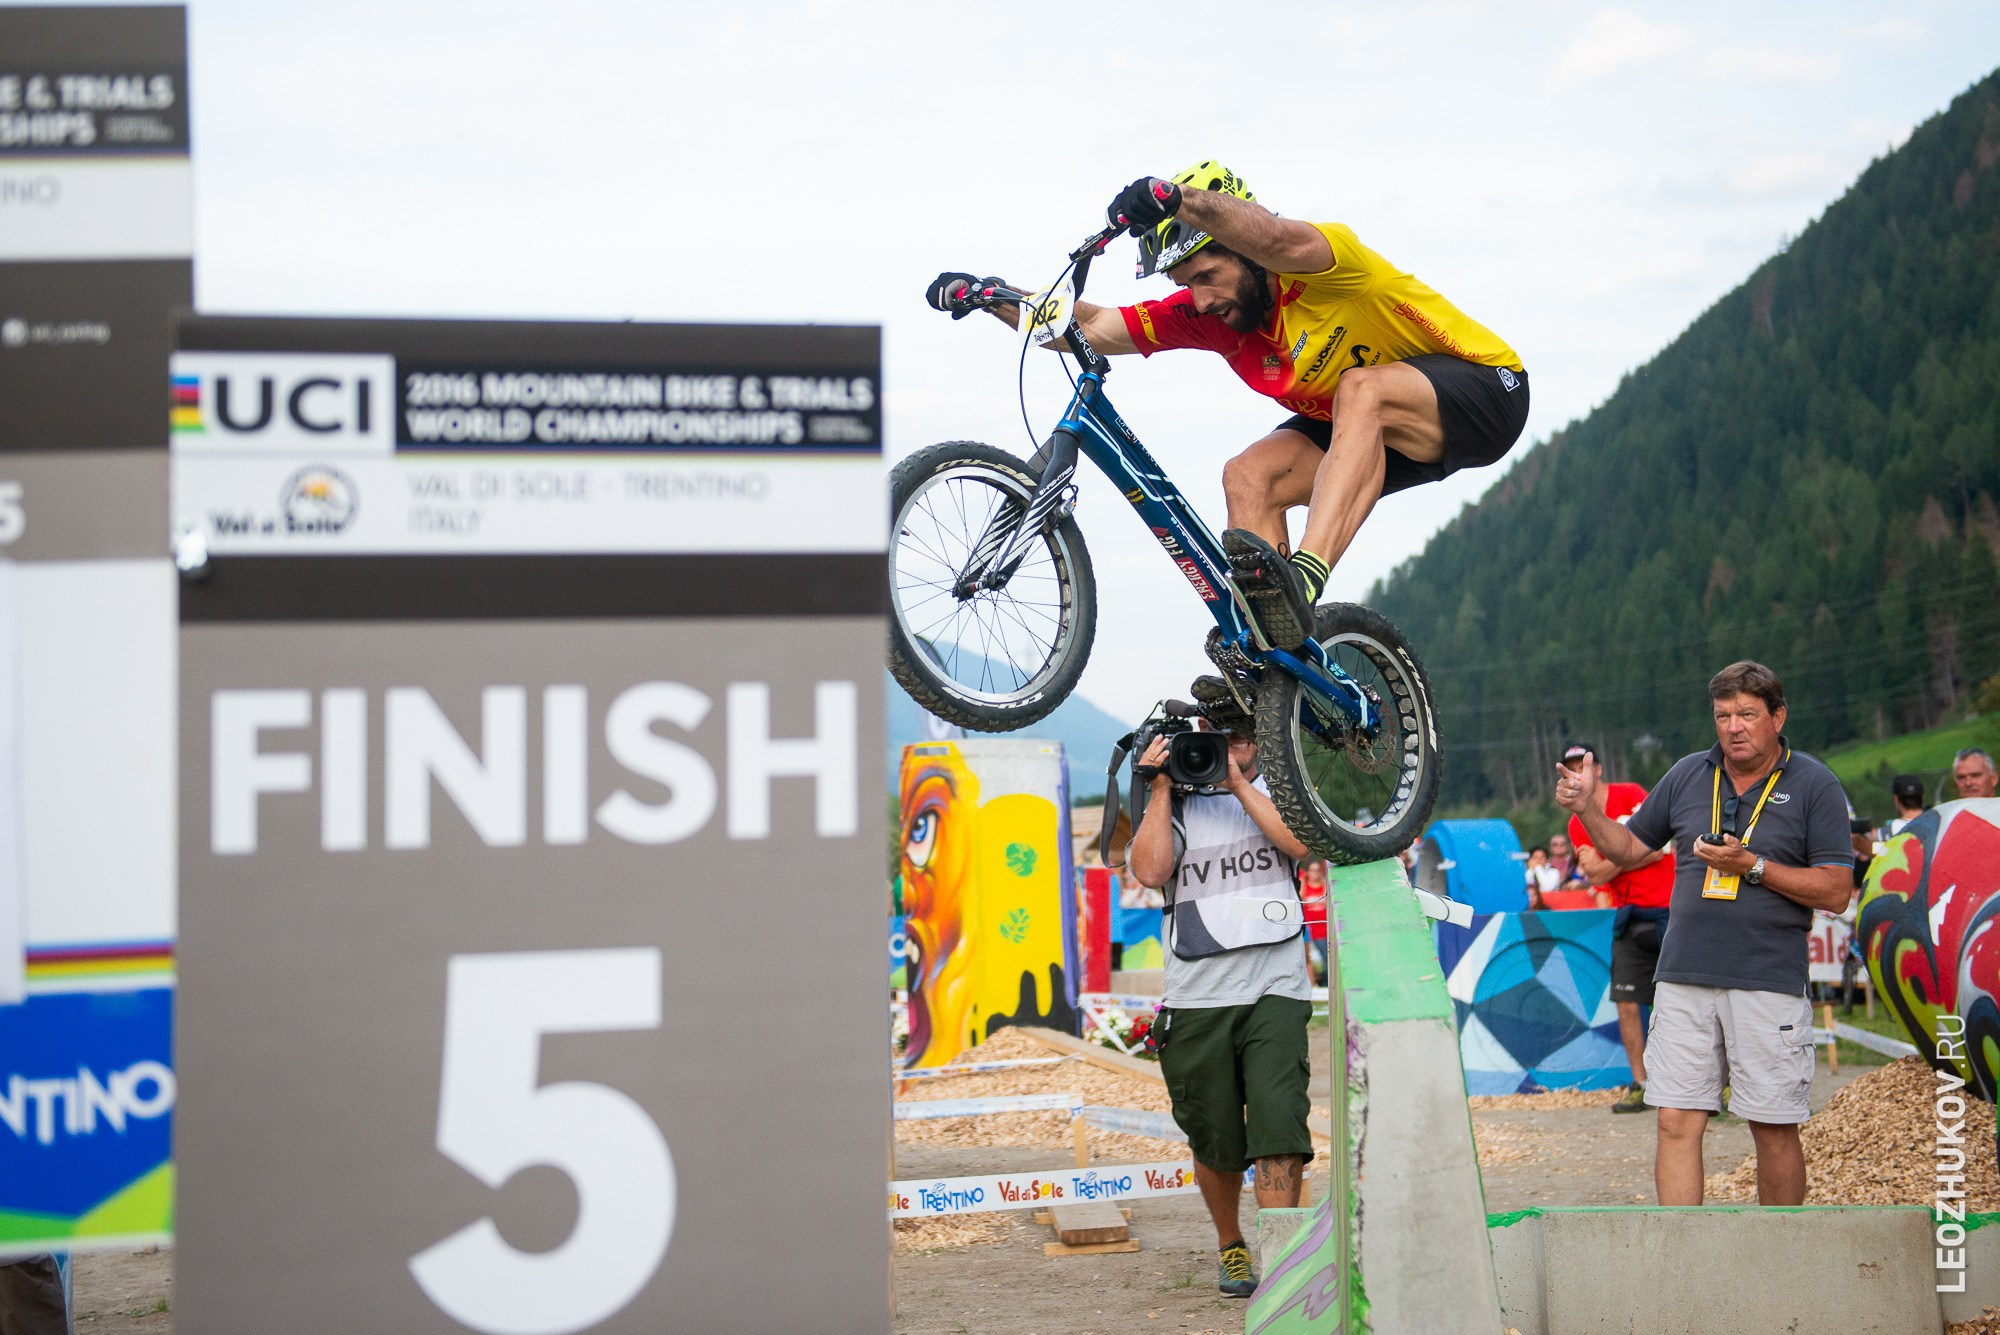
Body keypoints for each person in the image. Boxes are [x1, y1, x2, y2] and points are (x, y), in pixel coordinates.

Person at [927, 161, 1528, 652]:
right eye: (1185, 283)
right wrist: (991, 296)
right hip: (1375, 435)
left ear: (1246, 255)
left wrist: (1176, 199)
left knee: (1361, 389)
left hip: (1484, 392)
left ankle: (1303, 579)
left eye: (1209, 274)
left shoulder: (1322, 264)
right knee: (1248, 475)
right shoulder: (1208, 316)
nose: (1201, 298)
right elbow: (1090, 324)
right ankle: (1274, 651)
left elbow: (1272, 234)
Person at [1553, 661, 1851, 1206]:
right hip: (1683, 975)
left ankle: (1777, 1258)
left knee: (1773, 1126)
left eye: (1747, 714)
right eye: (1722, 715)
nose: (1733, 726)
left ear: (1777, 717)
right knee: (1674, 1122)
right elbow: (1626, 850)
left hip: (1766, 979)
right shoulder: (1690, 773)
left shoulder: (1815, 783)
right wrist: (1587, 809)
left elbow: (1836, 891)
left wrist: (1752, 866)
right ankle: (1683, 1260)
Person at [1128, 704, 1313, 1299]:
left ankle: (1283, 1259)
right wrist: (1160, 786)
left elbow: (1299, 845)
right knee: (1215, 1138)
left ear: (1260, 737)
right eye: (1217, 735)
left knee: (1280, 1126)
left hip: (1274, 986)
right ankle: (1232, 1246)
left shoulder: (1282, 788)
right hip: (1198, 993)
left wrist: (1236, 783)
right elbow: (1151, 870)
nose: (1229, 744)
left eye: (1240, 734)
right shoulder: (1176, 800)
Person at [1558, 742, 1676, 1114]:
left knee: (1683, 1001)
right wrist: (1630, 853)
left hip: (1669, 907)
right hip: (1628, 914)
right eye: (1572, 768)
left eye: (1585, 766)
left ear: (1599, 768)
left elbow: (1659, 848)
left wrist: (1615, 857)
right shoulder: (1577, 821)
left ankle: (1713, 1081)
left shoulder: (1632, 793)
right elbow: (1594, 873)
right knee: (1627, 1004)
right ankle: (1642, 1083)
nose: (1580, 773)